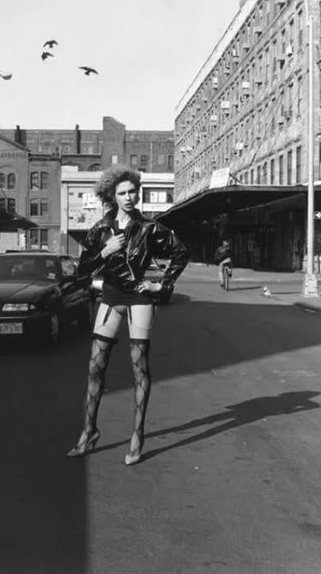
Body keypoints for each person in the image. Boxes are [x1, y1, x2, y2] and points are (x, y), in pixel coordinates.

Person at [67, 165, 189, 466]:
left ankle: (137, 436)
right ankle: (89, 430)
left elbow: (181, 253)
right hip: (110, 296)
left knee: (139, 369)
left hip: (140, 298)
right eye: (122, 193)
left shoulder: (149, 228)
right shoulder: (99, 230)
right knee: (96, 367)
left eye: (133, 191)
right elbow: (82, 270)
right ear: (112, 195)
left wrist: (161, 284)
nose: (129, 197)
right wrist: (105, 252)